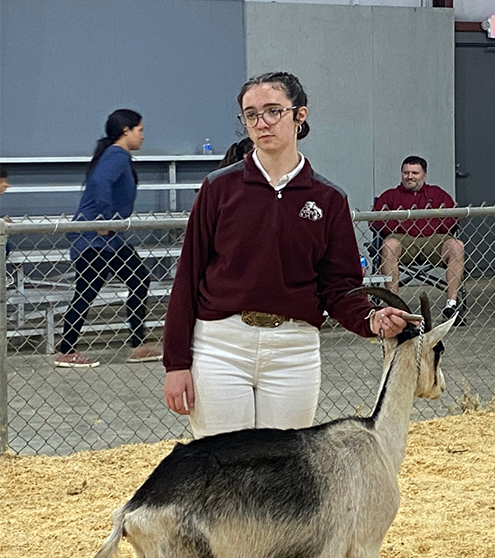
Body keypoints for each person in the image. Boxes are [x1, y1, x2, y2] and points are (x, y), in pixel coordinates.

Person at [162, 71, 412, 438]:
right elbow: (188, 278)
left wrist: (372, 320)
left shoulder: (329, 199)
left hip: (294, 351)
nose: (261, 122)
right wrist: (176, 363)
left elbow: (340, 288)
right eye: (251, 114)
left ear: (300, 115)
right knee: (223, 472)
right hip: (220, 347)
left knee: (282, 476)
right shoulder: (218, 189)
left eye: (273, 111)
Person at [54, 109, 163, 368]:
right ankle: (67, 351)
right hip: (94, 240)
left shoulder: (117, 155)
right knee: (87, 291)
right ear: (126, 131)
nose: (143, 136)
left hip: (109, 241)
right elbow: (101, 183)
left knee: (138, 279)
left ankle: (138, 345)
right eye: (140, 130)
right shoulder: (116, 155)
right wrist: (104, 219)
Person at [372, 156, 465, 321]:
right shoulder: (390, 196)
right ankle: (394, 306)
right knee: (389, 245)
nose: (409, 176)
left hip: (434, 239)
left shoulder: (438, 194)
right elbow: (375, 222)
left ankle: (451, 306)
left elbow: (453, 218)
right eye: (406, 172)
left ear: (424, 175)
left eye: (414, 172)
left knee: (457, 246)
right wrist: (399, 226)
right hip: (402, 240)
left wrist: (431, 226)